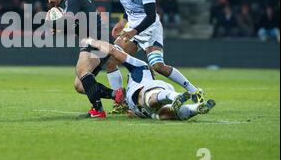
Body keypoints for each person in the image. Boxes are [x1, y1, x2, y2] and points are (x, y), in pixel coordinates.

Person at [106, 0, 204, 114]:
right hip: (133, 28)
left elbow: (151, 16)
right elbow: (128, 6)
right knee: (111, 60)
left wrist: (132, 32)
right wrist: (123, 22)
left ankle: (195, 91)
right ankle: (120, 103)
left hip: (150, 29)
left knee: (157, 66)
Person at [40, 0, 124, 118]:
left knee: (81, 70)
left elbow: (68, 21)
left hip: (96, 39)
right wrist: (61, 29)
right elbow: (75, 25)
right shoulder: (69, 1)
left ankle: (98, 110)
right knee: (80, 85)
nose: (49, 1)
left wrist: (51, 24)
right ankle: (117, 95)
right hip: (92, 39)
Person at [83, 37, 216, 120]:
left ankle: (175, 96)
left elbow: (113, 51)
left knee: (148, 98)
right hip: (145, 109)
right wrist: (132, 112)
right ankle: (196, 108)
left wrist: (92, 41)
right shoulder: (131, 85)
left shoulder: (141, 67)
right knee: (165, 114)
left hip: (151, 90)